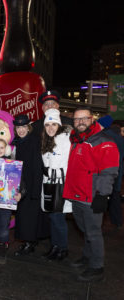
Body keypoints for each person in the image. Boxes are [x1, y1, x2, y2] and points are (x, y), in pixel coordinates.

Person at [64, 107, 119, 282]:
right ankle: (87, 257)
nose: (80, 122)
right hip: (77, 195)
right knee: (85, 230)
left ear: (92, 119)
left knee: (93, 232)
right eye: (76, 120)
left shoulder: (103, 141)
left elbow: (109, 172)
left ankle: (97, 266)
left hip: (92, 196)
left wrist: (103, 195)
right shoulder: (76, 139)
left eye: (84, 119)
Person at [12, 115, 48, 256]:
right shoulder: (18, 142)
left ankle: (29, 243)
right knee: (24, 216)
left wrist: (35, 190)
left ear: (28, 127)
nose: (21, 130)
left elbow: (37, 167)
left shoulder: (34, 141)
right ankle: (28, 241)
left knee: (29, 217)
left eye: (24, 127)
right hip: (21, 185)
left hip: (31, 185)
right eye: (18, 127)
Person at [40, 109, 72, 261]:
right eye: (47, 125)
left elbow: (69, 164)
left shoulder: (66, 140)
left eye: (53, 124)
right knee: (52, 217)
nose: (50, 128)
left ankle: (62, 248)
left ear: (59, 125)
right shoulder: (47, 140)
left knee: (58, 218)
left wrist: (54, 172)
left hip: (60, 185)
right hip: (49, 184)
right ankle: (55, 246)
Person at [97, 115, 124, 229]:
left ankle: (99, 223)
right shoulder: (120, 138)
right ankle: (117, 222)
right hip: (117, 171)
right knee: (114, 197)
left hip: (103, 172)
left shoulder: (103, 136)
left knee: (101, 198)